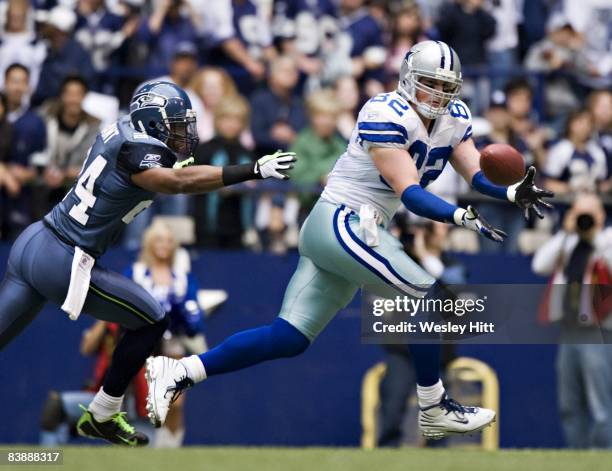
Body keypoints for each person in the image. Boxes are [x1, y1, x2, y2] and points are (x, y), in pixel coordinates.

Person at [146, 40, 554, 439]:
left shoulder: (454, 118)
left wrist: (509, 192)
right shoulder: (385, 112)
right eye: (433, 83)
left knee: (287, 338)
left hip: (355, 230)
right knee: (430, 299)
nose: (441, 93)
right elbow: (410, 192)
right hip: (341, 221)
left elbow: (475, 171)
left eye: (448, 86)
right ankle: (433, 407)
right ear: (410, 78)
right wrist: (458, 215)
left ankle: (180, 371)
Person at [0, 80, 296, 446]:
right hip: (63, 257)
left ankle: (103, 413)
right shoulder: (138, 148)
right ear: (153, 122)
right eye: (175, 126)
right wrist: (251, 170)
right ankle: (104, 413)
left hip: (34, 240)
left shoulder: (121, 129)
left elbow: (156, 170)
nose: (182, 134)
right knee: (152, 318)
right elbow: (177, 183)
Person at [532, 192, 612, 448]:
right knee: (569, 404)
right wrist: (567, 232)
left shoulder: (608, 240)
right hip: (569, 330)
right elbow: (539, 265)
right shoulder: (567, 242)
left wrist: (595, 238)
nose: (585, 219)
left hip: (599, 331)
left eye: (589, 213)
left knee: (601, 404)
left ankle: (602, 454)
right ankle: (576, 457)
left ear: (601, 215)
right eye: (579, 212)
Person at [125, 220, 206, 447]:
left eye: (169, 241)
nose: (164, 245)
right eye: (159, 240)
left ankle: (171, 449)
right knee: (151, 401)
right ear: (149, 243)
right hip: (145, 347)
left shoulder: (182, 277)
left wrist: (186, 313)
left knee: (176, 401)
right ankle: (155, 448)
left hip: (174, 346)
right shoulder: (137, 273)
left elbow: (194, 316)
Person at [39, 320, 151, 446]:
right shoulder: (112, 322)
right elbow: (86, 348)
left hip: (141, 405)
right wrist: (106, 317)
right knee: (55, 408)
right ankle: (48, 462)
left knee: (139, 454)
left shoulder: (156, 322)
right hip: (104, 399)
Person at [37, 75, 101, 214]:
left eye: (78, 94)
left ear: (85, 97)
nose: (73, 100)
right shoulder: (44, 117)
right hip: (41, 182)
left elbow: (91, 162)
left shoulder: (94, 126)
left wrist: (65, 174)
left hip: (75, 189)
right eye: (70, 94)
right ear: (62, 96)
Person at [543, 108, 607, 196]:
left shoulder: (597, 152)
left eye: (588, 123)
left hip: (593, 198)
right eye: (580, 122)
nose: (584, 126)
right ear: (570, 124)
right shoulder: (561, 149)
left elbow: (602, 184)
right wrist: (571, 188)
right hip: (565, 204)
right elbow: (547, 183)